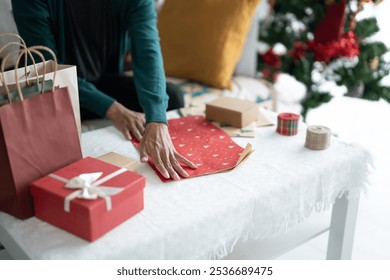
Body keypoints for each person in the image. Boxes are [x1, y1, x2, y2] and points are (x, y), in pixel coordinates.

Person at [11, 0, 197, 180]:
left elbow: (148, 50)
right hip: (55, 90)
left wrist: (157, 120)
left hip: (105, 83)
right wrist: (114, 110)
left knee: (171, 98)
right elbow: (47, 67)